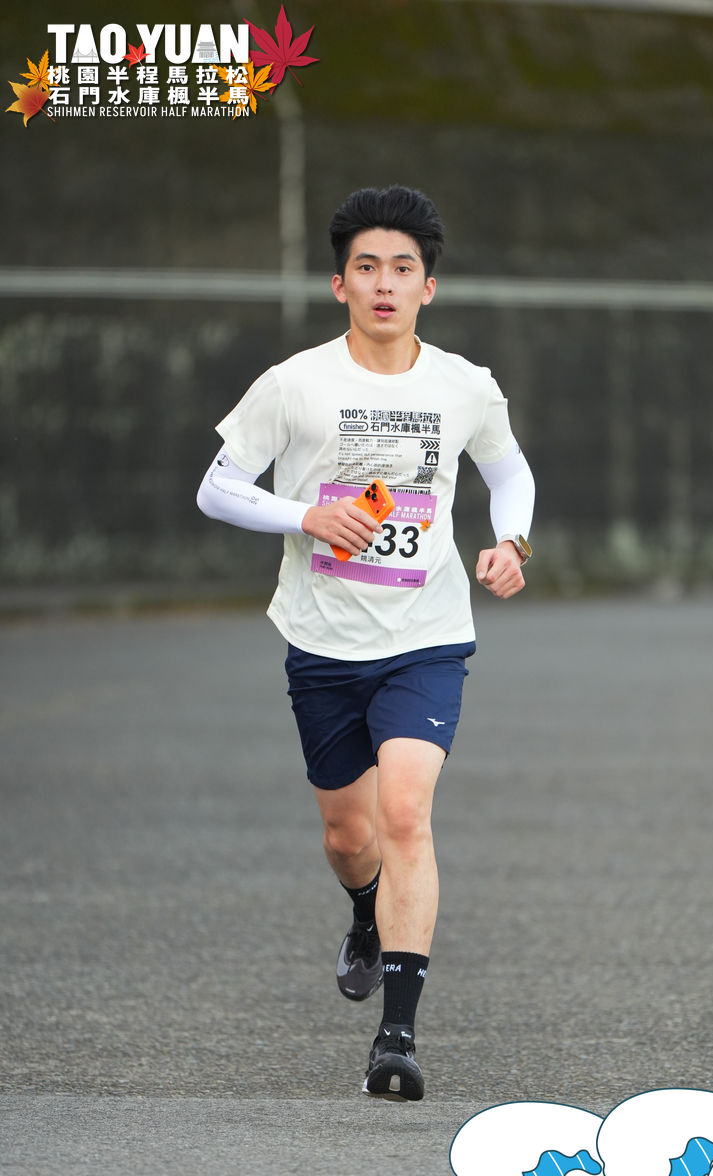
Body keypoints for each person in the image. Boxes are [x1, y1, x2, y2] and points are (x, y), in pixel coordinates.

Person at [197, 185, 534, 1101]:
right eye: (367, 268)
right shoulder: (294, 384)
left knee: (405, 816)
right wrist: (306, 515)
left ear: (428, 287)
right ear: (338, 283)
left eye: (402, 269)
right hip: (322, 641)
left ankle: (397, 1038)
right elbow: (216, 488)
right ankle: (362, 911)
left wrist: (511, 543)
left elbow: (508, 470)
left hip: (428, 637)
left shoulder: (463, 385)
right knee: (350, 837)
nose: (385, 284)